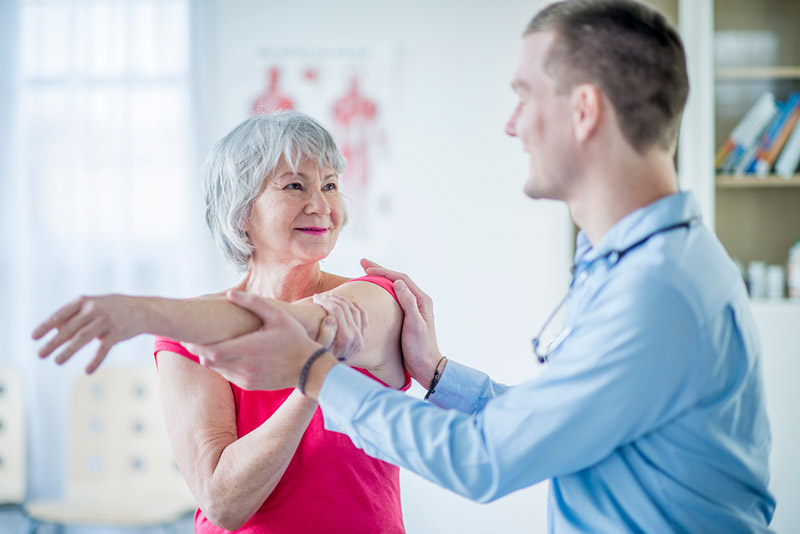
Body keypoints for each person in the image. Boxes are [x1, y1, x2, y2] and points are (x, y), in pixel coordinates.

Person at [183, 1, 776, 532]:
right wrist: (437, 374)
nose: (511, 124)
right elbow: (546, 422)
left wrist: (316, 374)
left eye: (524, 96)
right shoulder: (634, 267)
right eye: (294, 186)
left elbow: (485, 458)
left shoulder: (656, 292)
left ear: (585, 110)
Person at [32, 111, 409, 533]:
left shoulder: (377, 297)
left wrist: (146, 312)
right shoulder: (184, 336)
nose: (321, 205)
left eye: (330, 185)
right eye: (295, 185)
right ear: (242, 210)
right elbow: (223, 502)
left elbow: (300, 324)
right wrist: (311, 385)